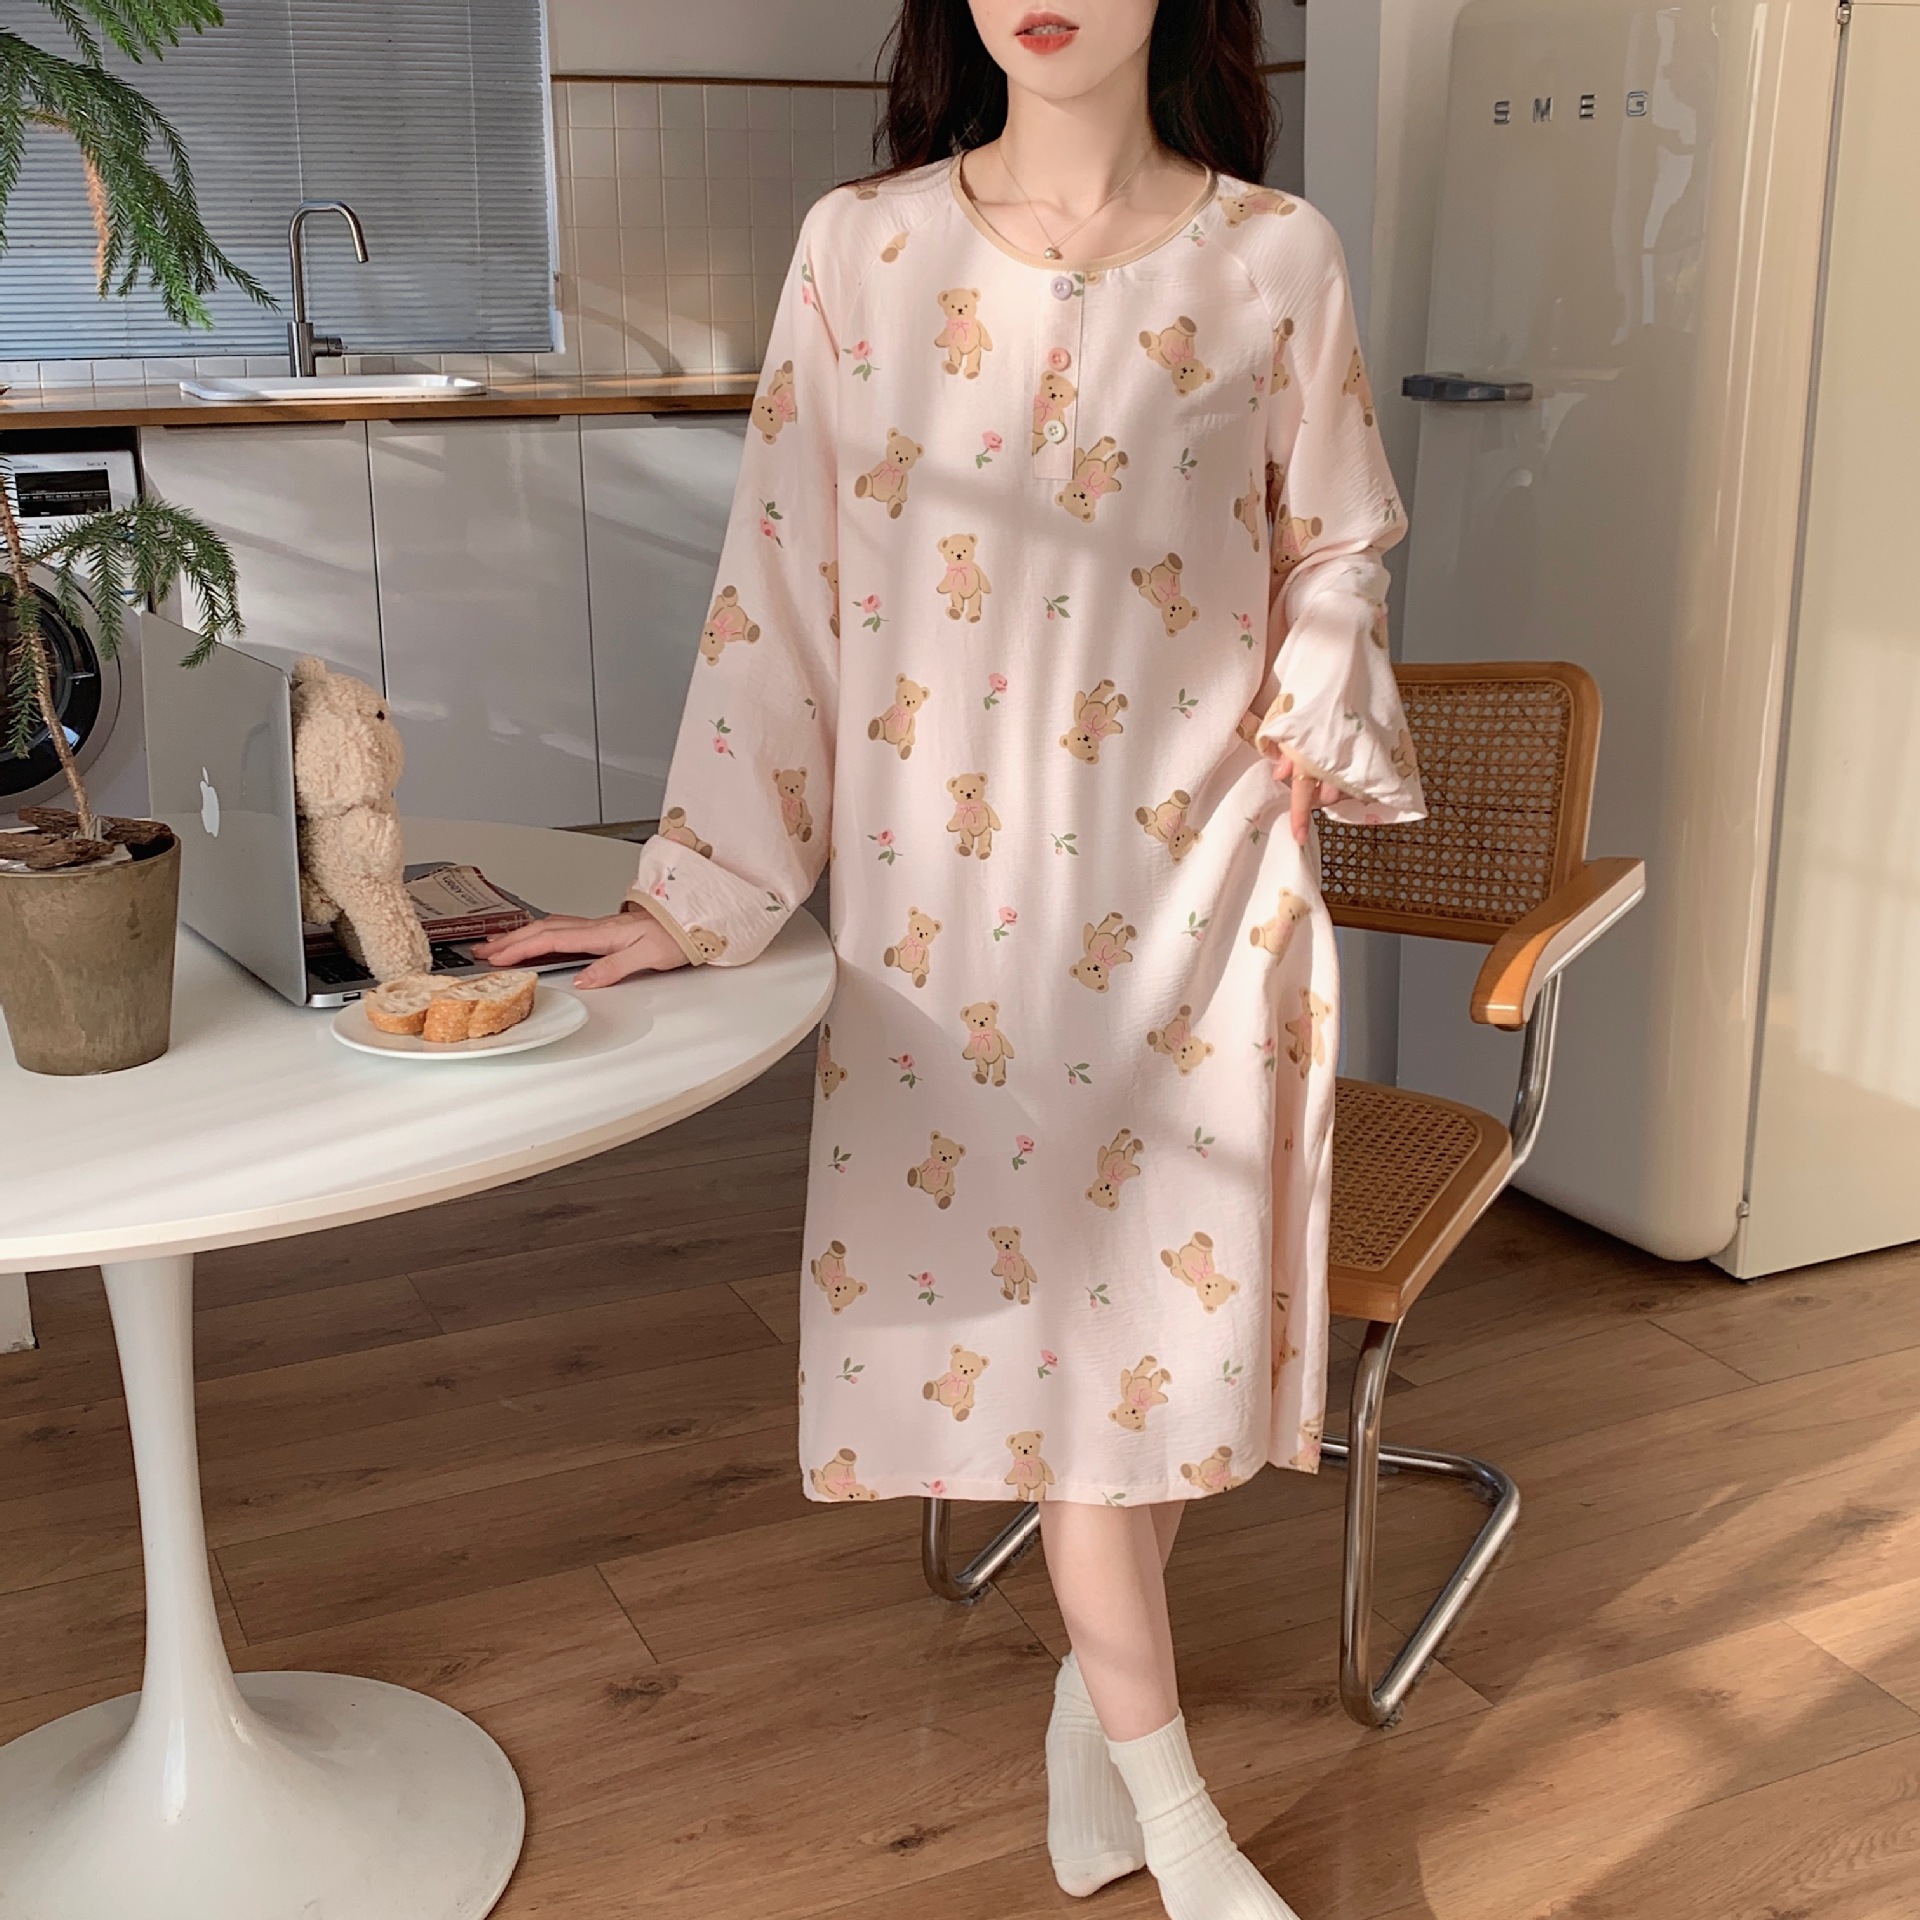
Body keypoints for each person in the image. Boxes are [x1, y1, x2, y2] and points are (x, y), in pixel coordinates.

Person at [478, 3, 1423, 1912]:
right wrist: (695, 886)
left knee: (1148, 1357)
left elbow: (1335, 535)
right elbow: (784, 585)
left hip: (1200, 892)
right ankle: (1177, 1821)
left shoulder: (1275, 255)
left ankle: (1104, 1736)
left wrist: (1328, 651)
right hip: (959, 936)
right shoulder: (865, 251)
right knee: (1071, 1369)